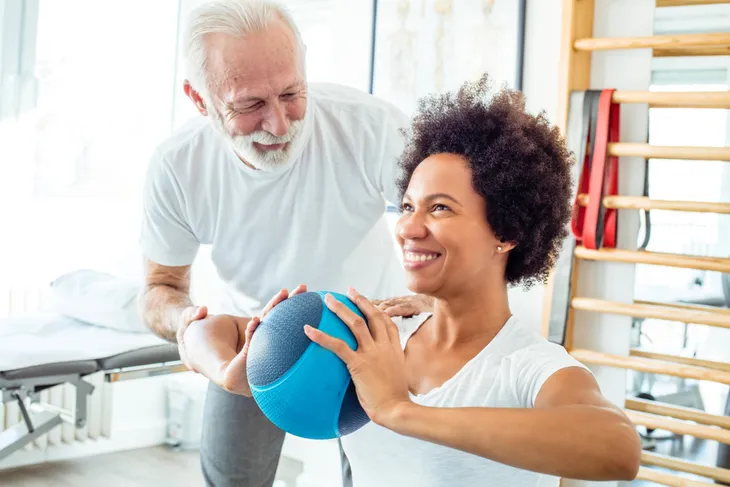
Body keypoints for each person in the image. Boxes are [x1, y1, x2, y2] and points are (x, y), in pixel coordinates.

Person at [254, 76, 642, 486]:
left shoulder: (529, 367)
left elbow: (618, 448)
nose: (408, 227)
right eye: (407, 206)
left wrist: (400, 411)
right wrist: (241, 341)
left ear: (506, 232)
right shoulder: (377, 335)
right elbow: (254, 352)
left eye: (439, 208)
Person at [137, 1, 430, 486]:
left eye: (292, 93)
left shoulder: (371, 127)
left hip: (375, 336)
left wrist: (434, 301)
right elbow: (159, 288)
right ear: (199, 98)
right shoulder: (177, 166)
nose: (279, 123)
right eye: (250, 104)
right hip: (253, 343)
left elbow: (446, 226)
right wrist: (187, 327)